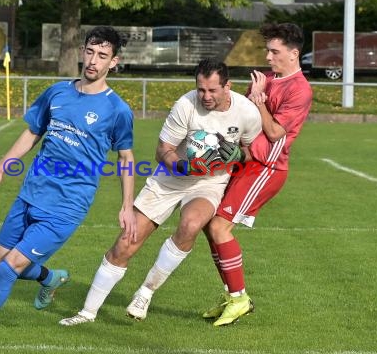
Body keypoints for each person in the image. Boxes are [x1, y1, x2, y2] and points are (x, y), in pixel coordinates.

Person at [0, 26, 136, 347]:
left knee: (8, 270)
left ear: (114, 62)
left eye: (102, 56)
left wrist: (127, 205)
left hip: (67, 207)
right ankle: (50, 277)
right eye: (89, 52)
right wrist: (0, 168)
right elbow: (32, 133)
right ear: (82, 51)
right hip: (30, 195)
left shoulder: (117, 110)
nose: (93, 61)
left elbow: (126, 157)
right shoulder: (56, 92)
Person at [59, 58, 262, 326]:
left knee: (190, 225)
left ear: (227, 86)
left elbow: (253, 152)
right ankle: (87, 312)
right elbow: (162, 150)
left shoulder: (247, 112)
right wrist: (181, 165)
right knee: (126, 242)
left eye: (212, 90)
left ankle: (145, 292)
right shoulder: (186, 104)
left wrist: (235, 154)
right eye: (201, 89)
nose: (206, 96)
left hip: (209, 183)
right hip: (171, 177)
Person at [202, 22, 313, 327]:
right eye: (267, 49)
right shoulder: (267, 80)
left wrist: (260, 100)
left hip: (267, 168)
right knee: (208, 224)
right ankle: (232, 295)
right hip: (246, 161)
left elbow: (276, 132)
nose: (268, 55)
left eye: (274, 51)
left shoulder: (299, 89)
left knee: (220, 228)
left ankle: (239, 299)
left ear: (293, 54)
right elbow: (245, 118)